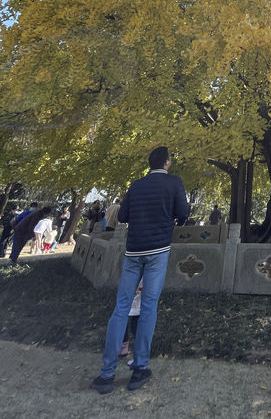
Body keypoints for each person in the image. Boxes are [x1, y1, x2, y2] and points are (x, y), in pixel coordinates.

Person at [90, 146, 189, 395]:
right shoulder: (174, 183)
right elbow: (183, 213)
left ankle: (106, 374)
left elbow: (123, 216)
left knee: (121, 308)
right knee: (148, 307)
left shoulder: (135, 185)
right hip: (158, 251)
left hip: (133, 252)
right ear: (167, 163)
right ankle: (140, 368)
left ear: (150, 163)